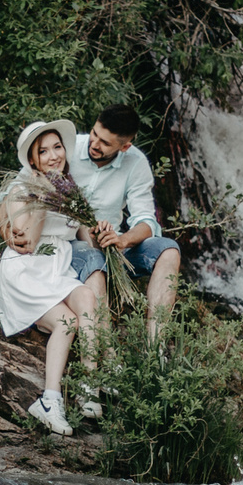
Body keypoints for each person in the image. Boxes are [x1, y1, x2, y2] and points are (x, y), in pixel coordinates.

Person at [66, 103, 182, 338]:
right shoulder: (67, 148)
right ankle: (106, 352)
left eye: (105, 143)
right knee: (93, 259)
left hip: (114, 247)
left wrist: (122, 240)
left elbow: (147, 222)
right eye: (94, 134)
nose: (94, 144)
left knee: (169, 251)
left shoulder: (136, 163)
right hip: (72, 245)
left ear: (125, 146)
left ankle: (155, 348)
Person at [0, 183, 92, 437]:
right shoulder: (21, 188)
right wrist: (43, 201)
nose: (53, 155)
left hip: (57, 269)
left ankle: (90, 386)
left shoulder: (70, 187)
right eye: (43, 151)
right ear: (33, 158)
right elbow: (27, 239)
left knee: (88, 297)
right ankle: (49, 400)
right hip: (28, 270)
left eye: (57, 147)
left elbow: (84, 235)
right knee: (67, 321)